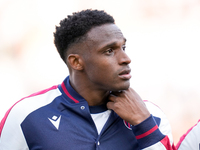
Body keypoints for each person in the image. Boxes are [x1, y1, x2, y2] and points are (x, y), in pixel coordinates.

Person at [0, 9, 176, 150]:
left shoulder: (153, 116)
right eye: (109, 51)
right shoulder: (26, 115)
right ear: (76, 62)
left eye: (123, 47)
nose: (126, 58)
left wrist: (144, 124)